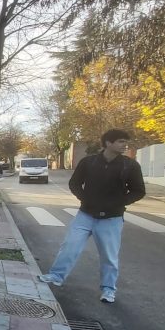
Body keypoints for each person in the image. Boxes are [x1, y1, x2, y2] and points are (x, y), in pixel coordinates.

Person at [38, 129, 146, 303]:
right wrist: (84, 198)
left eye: (125, 142)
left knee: (109, 256)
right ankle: (56, 276)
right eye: (120, 141)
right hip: (85, 214)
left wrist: (120, 202)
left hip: (112, 218)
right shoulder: (89, 162)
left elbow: (139, 191)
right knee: (70, 246)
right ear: (108, 143)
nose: (125, 145)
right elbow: (74, 183)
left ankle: (108, 289)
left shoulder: (130, 165)